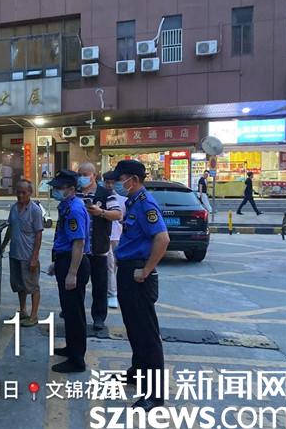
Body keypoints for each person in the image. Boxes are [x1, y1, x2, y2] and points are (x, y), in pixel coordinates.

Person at [113, 160, 170, 411]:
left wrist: (146, 270)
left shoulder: (146, 204)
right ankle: (137, 371)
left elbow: (162, 238)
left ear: (133, 180)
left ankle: (155, 394)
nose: (116, 184)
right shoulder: (133, 202)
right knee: (133, 328)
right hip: (127, 271)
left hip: (138, 275)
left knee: (147, 334)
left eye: (120, 179)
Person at [47, 170, 91, 373]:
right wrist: (57, 263)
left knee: (74, 313)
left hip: (75, 263)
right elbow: (64, 239)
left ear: (71, 189)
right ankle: (71, 348)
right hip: (65, 260)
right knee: (69, 310)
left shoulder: (74, 210)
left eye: (59, 188)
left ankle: (77, 359)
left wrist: (72, 273)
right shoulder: (66, 206)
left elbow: (78, 242)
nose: (55, 191)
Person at [76, 162, 122, 330]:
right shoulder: (75, 193)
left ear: (94, 176)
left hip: (99, 248)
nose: (82, 178)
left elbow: (118, 214)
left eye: (85, 174)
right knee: (77, 285)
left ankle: (99, 317)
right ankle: (75, 316)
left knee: (99, 286)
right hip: (79, 249)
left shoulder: (105, 194)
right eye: (80, 174)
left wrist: (101, 212)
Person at [1, 180, 43, 327]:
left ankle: (34, 315)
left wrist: (34, 258)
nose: (20, 195)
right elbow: (10, 229)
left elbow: (38, 234)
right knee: (19, 285)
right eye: (18, 192)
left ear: (30, 193)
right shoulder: (13, 208)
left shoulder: (35, 210)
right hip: (15, 254)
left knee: (33, 286)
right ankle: (23, 310)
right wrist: (3, 246)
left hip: (28, 255)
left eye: (23, 192)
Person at [103, 170, 127, 309]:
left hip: (118, 237)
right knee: (109, 265)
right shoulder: (101, 197)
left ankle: (112, 289)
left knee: (115, 265)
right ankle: (112, 294)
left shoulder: (123, 200)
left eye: (113, 183)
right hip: (105, 237)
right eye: (107, 182)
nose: (110, 185)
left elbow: (125, 219)